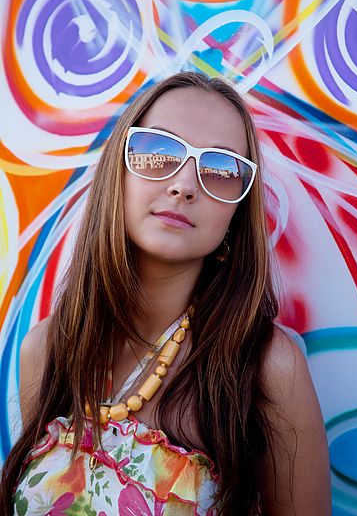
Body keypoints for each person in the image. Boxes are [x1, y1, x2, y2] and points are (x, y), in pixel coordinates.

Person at [0, 71, 331, 515]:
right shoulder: (46, 348)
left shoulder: (265, 367)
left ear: (237, 213)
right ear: (118, 170)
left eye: (220, 169)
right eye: (158, 151)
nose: (184, 185)